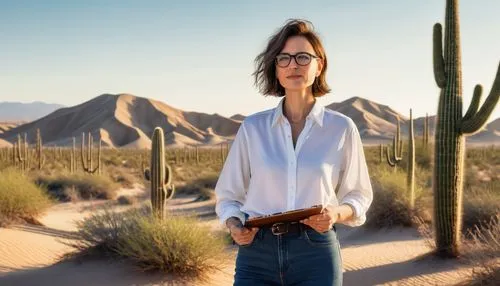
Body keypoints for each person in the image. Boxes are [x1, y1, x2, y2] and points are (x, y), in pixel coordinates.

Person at [215, 19, 373, 286]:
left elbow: (358, 195)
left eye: (303, 57)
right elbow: (229, 195)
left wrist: (335, 214)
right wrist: (233, 225)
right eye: (284, 58)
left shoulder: (341, 128)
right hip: (257, 253)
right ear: (276, 68)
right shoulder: (253, 128)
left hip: (315, 252)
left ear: (318, 65)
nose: (293, 65)